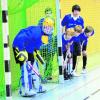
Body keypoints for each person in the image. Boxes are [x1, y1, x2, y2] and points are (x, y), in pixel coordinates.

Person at [12, 17, 54, 97]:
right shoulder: (36, 33)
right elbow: (21, 37)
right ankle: (25, 90)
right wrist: (21, 51)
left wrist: (35, 53)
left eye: (50, 27)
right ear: (43, 25)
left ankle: (37, 87)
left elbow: (35, 44)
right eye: (47, 26)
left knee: (34, 65)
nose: (48, 29)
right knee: (25, 68)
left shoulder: (45, 35)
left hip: (29, 48)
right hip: (20, 45)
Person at [38, 7, 55, 80]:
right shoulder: (41, 21)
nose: (48, 14)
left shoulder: (53, 20)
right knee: (43, 58)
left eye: (49, 13)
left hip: (50, 41)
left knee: (49, 58)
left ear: (51, 14)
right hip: (43, 41)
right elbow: (39, 30)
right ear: (45, 14)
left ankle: (48, 74)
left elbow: (52, 30)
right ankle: (42, 74)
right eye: (47, 13)